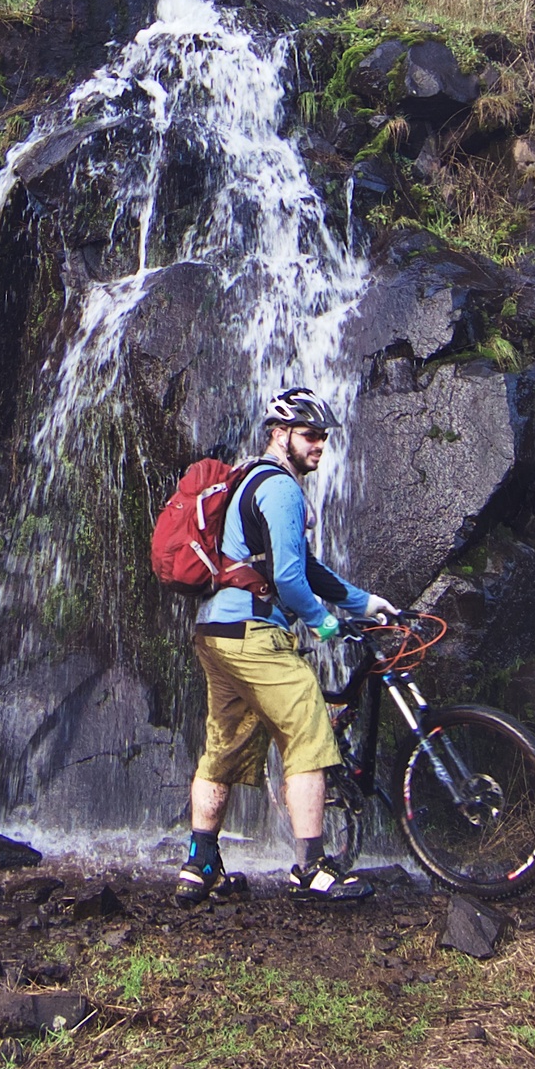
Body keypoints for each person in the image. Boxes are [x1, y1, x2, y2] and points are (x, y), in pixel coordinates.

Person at [175, 386, 398, 906]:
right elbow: (291, 579)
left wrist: (363, 603)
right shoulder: (279, 488)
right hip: (254, 634)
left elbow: (302, 565)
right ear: (281, 434)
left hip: (217, 633)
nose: (320, 445)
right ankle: (312, 869)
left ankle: (199, 863)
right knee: (309, 733)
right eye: (310, 435)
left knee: (222, 746)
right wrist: (324, 624)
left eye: (323, 436)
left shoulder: (252, 479)